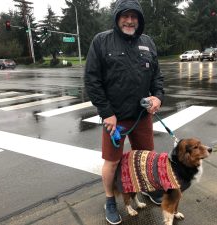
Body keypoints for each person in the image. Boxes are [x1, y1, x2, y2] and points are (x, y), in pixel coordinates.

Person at [84, 0, 164, 224]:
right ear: (117, 17)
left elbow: (157, 76)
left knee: (146, 158)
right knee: (112, 162)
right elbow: (92, 80)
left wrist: (158, 96)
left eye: (134, 16)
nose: (130, 21)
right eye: (125, 16)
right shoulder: (102, 41)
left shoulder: (148, 43)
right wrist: (106, 112)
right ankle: (110, 199)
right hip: (115, 119)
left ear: (139, 19)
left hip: (141, 115)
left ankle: (147, 188)